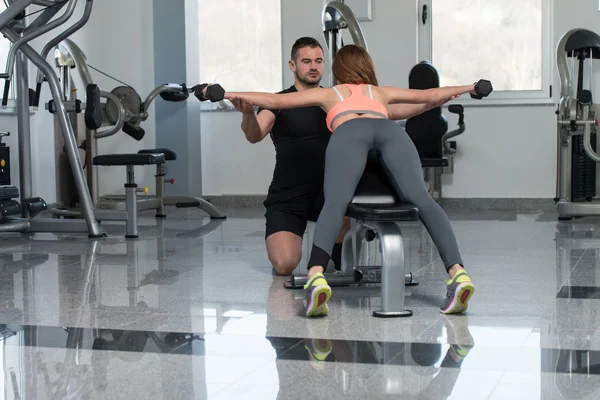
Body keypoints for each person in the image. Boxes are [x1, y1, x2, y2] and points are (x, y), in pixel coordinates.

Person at [210, 44, 478, 317]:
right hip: (388, 132)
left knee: (336, 202)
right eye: (307, 61)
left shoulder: (330, 94)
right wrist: (472, 87)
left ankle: (316, 276)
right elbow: (430, 94)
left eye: (319, 61)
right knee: (423, 199)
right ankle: (458, 273)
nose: (314, 66)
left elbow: (272, 100)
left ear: (336, 69)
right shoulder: (380, 93)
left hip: (351, 133)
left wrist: (223, 93)